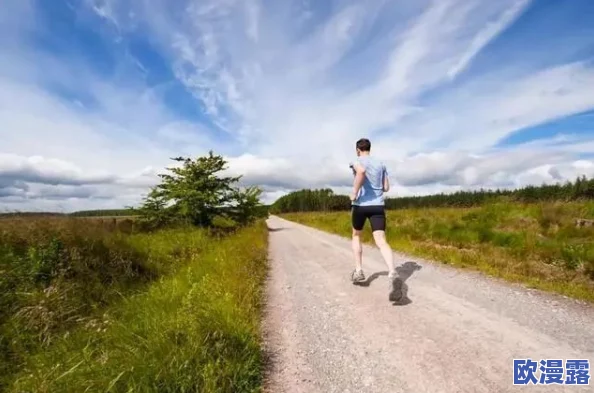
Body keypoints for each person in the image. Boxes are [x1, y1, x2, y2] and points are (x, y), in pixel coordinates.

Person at [349, 138, 396, 285]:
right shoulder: (381, 164)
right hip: (378, 206)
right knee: (381, 241)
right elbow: (386, 187)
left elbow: (361, 171)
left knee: (356, 235)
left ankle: (358, 271)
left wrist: (354, 192)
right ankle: (392, 271)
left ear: (358, 150)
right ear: (369, 149)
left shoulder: (356, 161)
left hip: (360, 205)